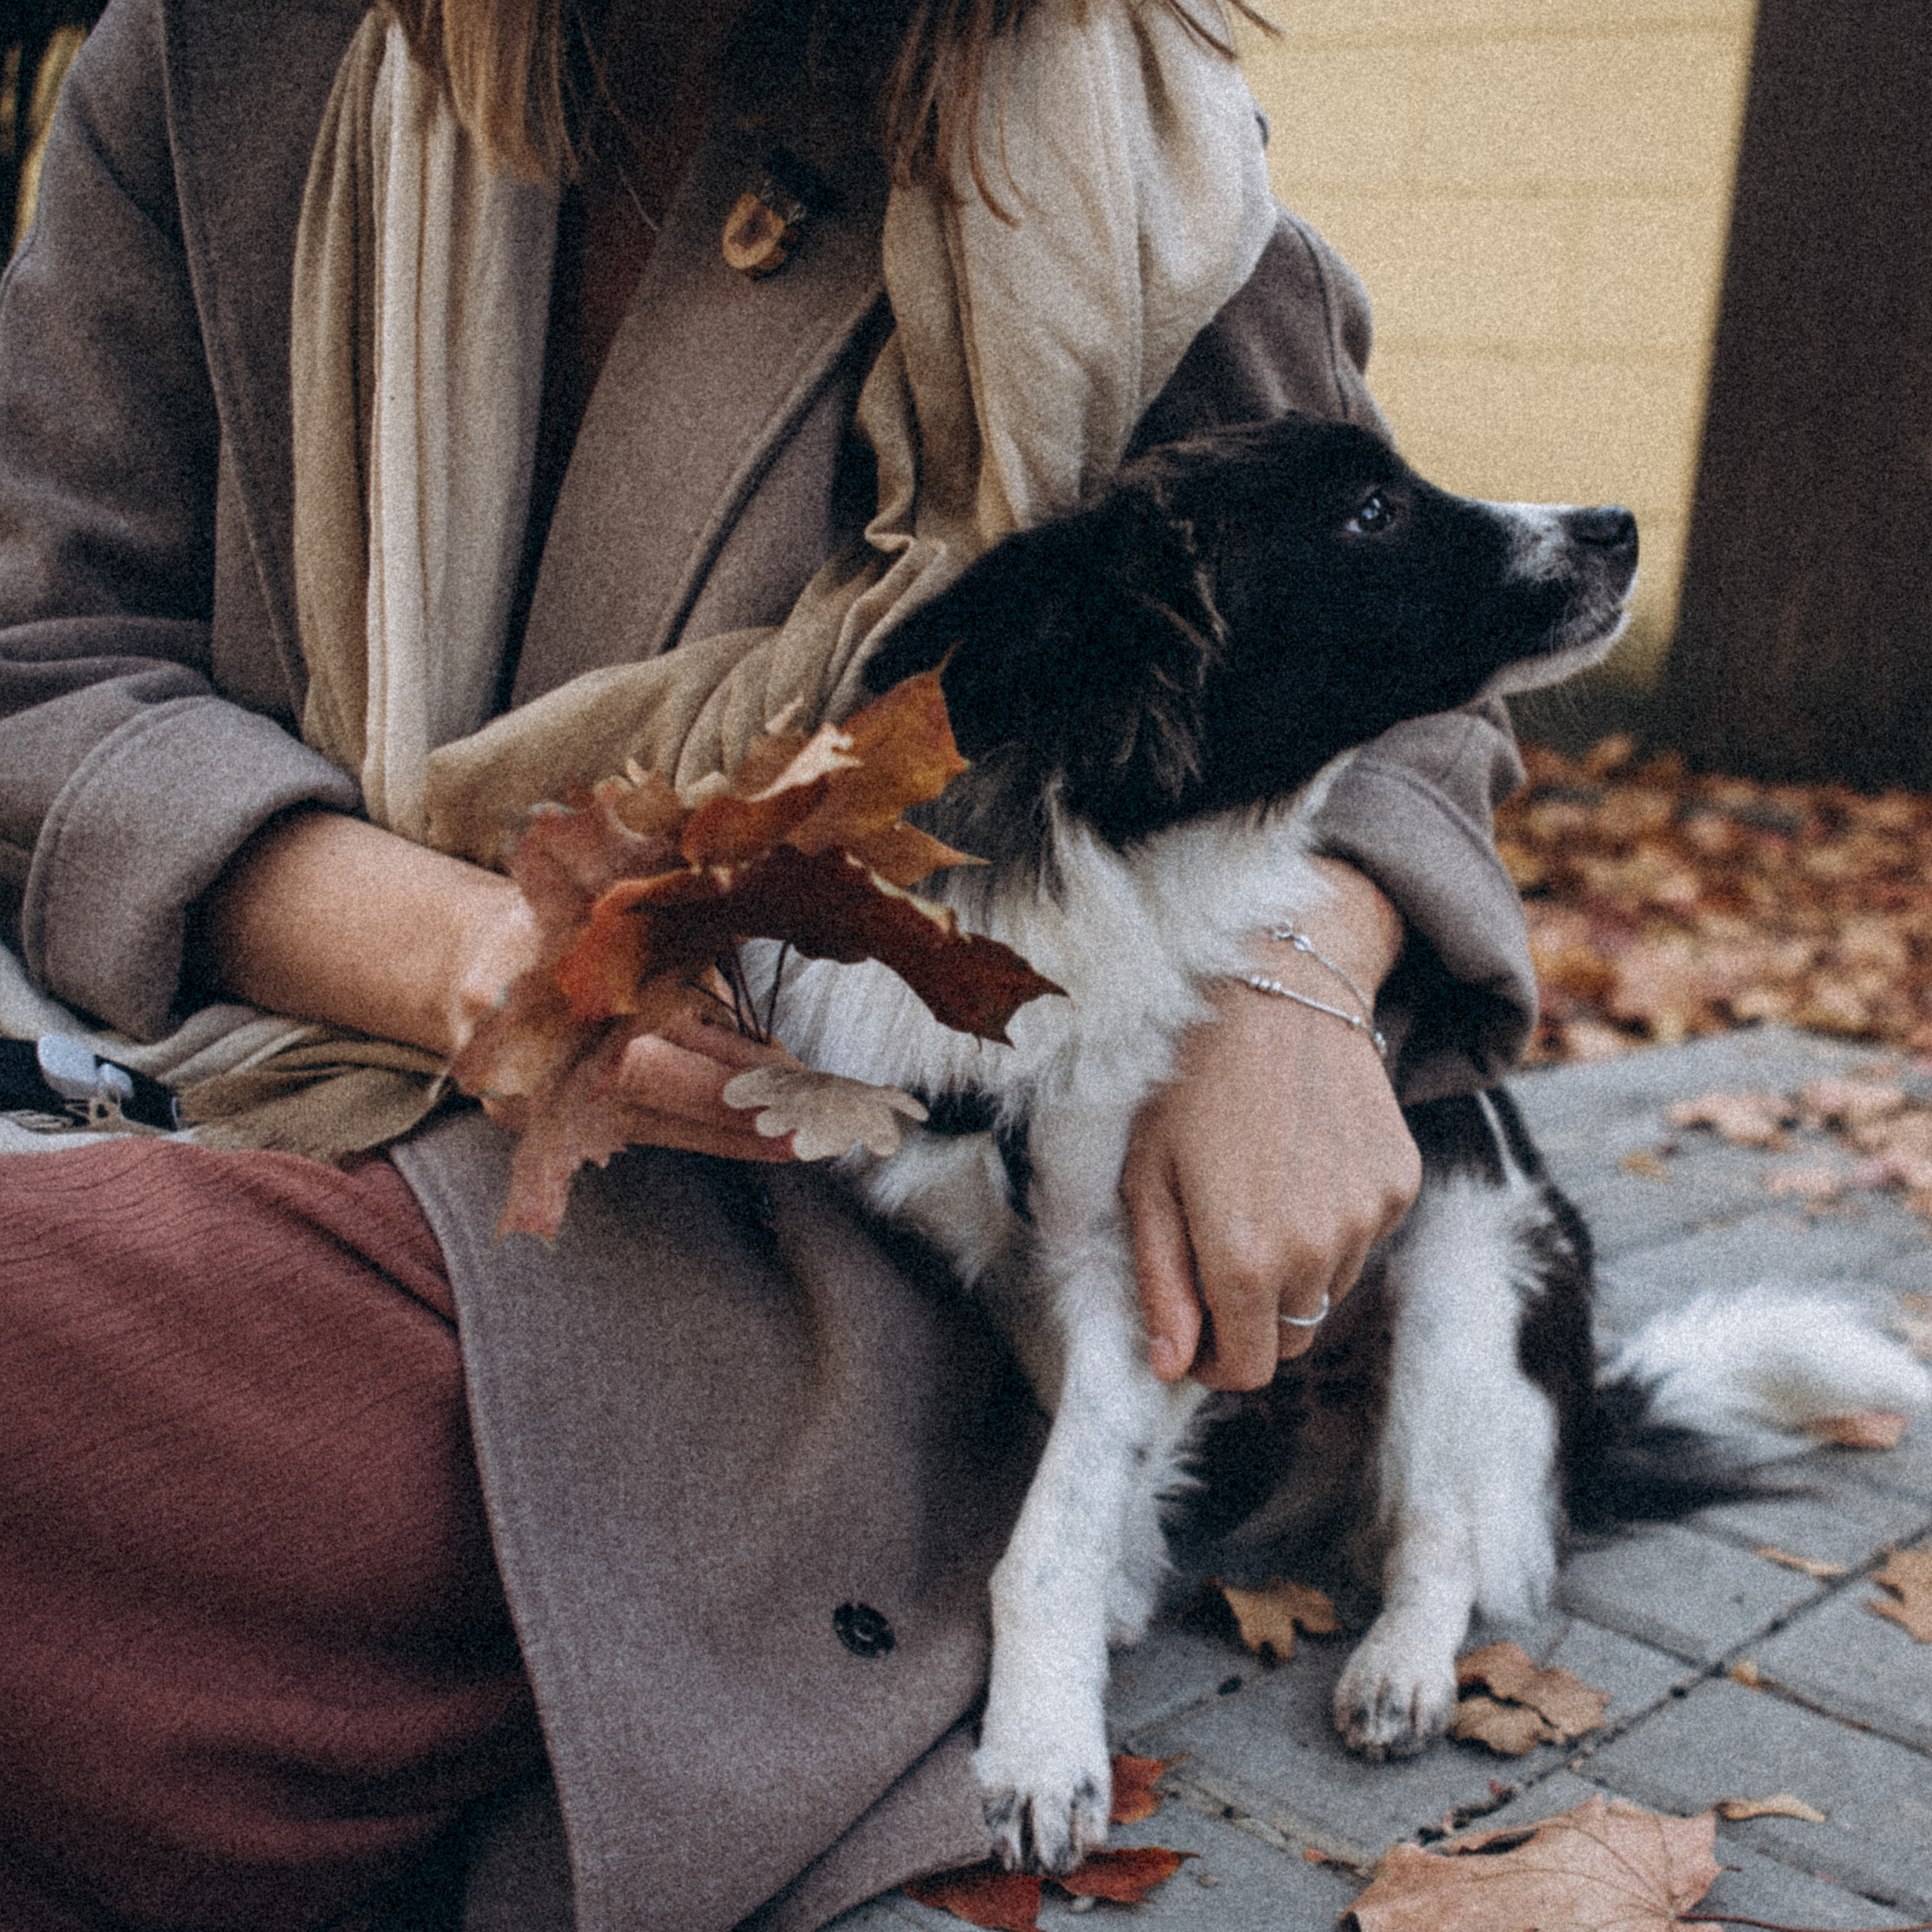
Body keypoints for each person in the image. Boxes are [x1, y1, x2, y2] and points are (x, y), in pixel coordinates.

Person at [0, 0, 1539, 1926]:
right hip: (282, 1071)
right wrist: (476, 954)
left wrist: (1305, 976)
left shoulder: (1113, 138)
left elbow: (1411, 638)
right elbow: (51, 667)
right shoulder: (214, 61)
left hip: (830, 1258)